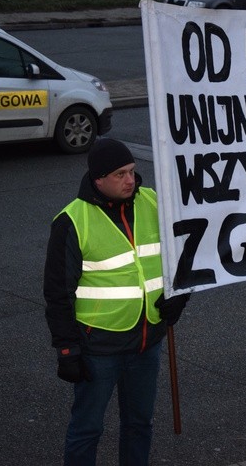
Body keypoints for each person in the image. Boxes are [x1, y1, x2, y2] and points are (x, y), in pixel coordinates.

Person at [43, 138, 189, 465]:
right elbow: (57, 292)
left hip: (147, 341)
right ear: (98, 179)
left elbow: (184, 254)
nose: (130, 181)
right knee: (87, 429)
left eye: (133, 172)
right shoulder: (72, 221)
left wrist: (180, 294)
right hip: (98, 348)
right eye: (120, 174)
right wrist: (67, 349)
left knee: (139, 424)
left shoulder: (153, 202)